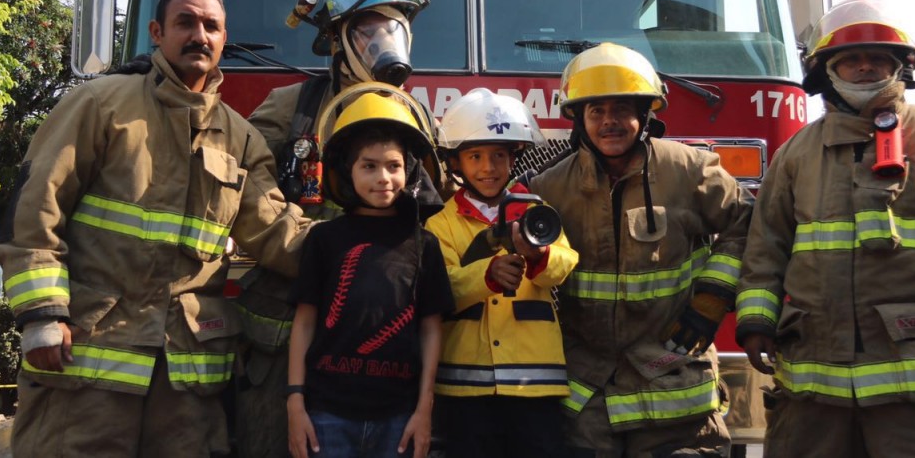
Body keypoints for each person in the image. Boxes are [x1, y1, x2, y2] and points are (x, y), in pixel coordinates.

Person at [0, 0, 311, 457]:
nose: (199, 36)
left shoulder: (241, 139)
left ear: (225, 40)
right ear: (156, 32)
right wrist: (42, 313)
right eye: (185, 22)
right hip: (84, 367)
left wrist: (365, 250)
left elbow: (275, 230)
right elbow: (37, 207)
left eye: (211, 26)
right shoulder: (101, 103)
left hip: (185, 388)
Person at [735, 0, 915, 457]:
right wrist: (756, 319)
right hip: (815, 383)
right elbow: (765, 247)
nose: (865, 67)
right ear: (825, 71)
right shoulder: (795, 153)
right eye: (851, 59)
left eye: (878, 57)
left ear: (902, 66)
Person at [235, 0, 443, 456]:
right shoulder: (293, 106)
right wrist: (325, 254)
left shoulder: (414, 116)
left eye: (393, 28)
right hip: (290, 334)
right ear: (338, 40)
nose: (383, 42)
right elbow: (244, 188)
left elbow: (436, 213)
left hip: (384, 348)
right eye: (368, 30)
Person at [527, 42, 754, 457]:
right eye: (596, 111)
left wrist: (713, 296)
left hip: (673, 381)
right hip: (588, 392)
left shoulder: (689, 170)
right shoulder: (548, 187)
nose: (609, 122)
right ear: (578, 118)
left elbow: (749, 226)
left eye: (622, 110)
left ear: (644, 114)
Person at [286, 84, 454, 458]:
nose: (383, 178)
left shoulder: (425, 244)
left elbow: (430, 330)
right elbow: (304, 323)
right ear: (347, 172)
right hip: (326, 414)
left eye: (394, 166)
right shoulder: (324, 239)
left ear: (408, 171)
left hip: (399, 417)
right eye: (369, 166)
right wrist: (295, 403)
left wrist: (424, 409)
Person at [425, 88, 578, 457]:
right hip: (465, 387)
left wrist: (539, 256)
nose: (488, 167)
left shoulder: (536, 210)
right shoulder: (440, 223)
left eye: (498, 156)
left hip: (534, 386)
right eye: (475, 156)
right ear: (455, 163)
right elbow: (440, 287)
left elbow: (565, 263)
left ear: (515, 157)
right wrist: (487, 275)